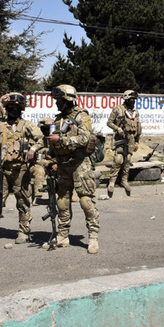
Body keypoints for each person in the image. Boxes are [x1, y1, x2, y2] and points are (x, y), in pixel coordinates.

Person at [0, 93, 43, 247]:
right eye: (10, 108)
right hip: (1, 170)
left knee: (23, 201)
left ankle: (23, 231)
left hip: (20, 169)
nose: (13, 110)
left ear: (21, 109)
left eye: (16, 108)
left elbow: (40, 139)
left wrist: (32, 149)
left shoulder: (26, 125)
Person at [43, 85, 101, 254]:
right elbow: (52, 144)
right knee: (62, 201)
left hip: (80, 165)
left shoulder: (81, 116)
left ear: (69, 99)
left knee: (86, 201)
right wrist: (49, 158)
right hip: (62, 166)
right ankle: (62, 236)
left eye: (60, 100)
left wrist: (60, 140)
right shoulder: (57, 119)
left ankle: (93, 237)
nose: (57, 103)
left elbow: (84, 139)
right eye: (56, 100)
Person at [104, 90, 141, 197]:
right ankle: (112, 181)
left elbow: (138, 126)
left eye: (134, 99)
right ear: (126, 99)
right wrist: (117, 128)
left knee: (128, 160)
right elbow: (109, 122)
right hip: (120, 138)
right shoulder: (118, 109)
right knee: (118, 159)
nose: (133, 101)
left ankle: (124, 180)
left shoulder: (135, 111)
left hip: (131, 139)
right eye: (131, 99)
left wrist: (137, 141)